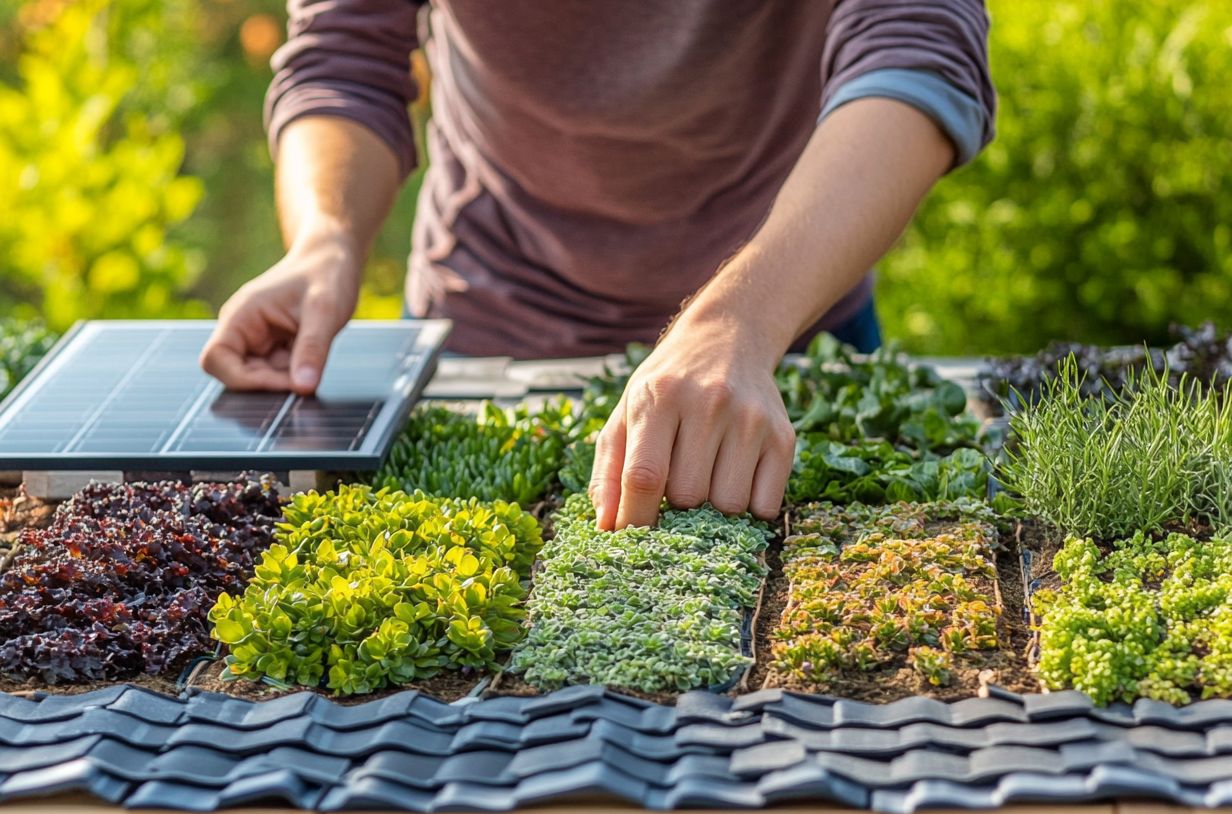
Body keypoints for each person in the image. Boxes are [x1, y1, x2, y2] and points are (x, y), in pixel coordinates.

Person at [200, 0, 995, 530]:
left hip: (786, 336)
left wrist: (740, 321)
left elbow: (916, 46)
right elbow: (345, 56)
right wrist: (326, 237)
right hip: (492, 333)